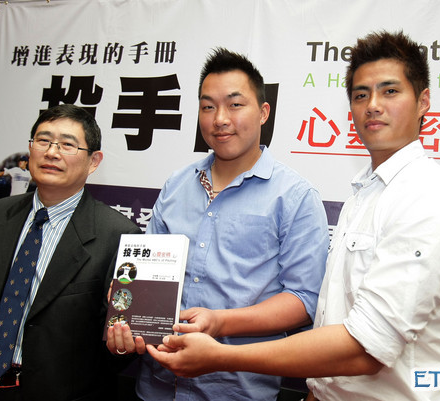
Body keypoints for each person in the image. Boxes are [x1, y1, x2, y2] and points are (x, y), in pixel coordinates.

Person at [147, 31, 440, 401]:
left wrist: (221, 353)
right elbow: (336, 318)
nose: (373, 106)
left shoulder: (429, 198)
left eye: (389, 91)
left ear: (423, 102)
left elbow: (367, 346)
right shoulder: (366, 193)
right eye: (360, 95)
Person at [106, 48, 329, 400]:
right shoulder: (176, 186)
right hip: (156, 385)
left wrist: (220, 321)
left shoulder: (296, 196)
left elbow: (304, 300)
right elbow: (144, 278)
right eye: (208, 107)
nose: (220, 119)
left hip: (236, 389)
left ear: (264, 112)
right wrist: (126, 309)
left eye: (235, 105)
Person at [0, 104, 141, 400]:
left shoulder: (118, 235)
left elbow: (116, 346)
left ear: (93, 161)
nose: (52, 152)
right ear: (31, 149)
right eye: (43, 140)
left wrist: (122, 344)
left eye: (67, 144)